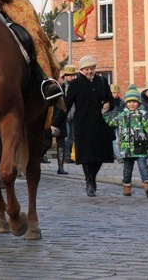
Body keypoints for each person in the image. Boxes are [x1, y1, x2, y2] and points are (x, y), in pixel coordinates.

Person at [52, 55, 115, 197]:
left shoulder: (102, 81)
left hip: (101, 124)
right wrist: (56, 123)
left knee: (100, 156)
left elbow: (111, 99)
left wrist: (108, 104)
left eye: (91, 69)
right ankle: (89, 180)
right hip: (84, 124)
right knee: (87, 155)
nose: (89, 72)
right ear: (81, 70)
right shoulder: (76, 84)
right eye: (86, 69)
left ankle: (93, 177)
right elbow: (66, 105)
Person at [102, 85, 148, 197]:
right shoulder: (123, 115)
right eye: (129, 102)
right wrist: (105, 113)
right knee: (127, 169)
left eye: (134, 102)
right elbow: (112, 123)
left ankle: (147, 185)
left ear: (138, 102)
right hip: (127, 147)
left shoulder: (143, 115)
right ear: (126, 103)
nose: (132, 104)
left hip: (141, 146)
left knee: (143, 167)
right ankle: (126, 187)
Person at [50, 65, 77, 175]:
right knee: (54, 141)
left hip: (70, 116)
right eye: (70, 76)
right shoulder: (61, 88)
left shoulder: (74, 87)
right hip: (59, 116)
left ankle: (61, 166)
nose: (72, 77)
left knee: (66, 140)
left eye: (73, 75)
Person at [106, 84, 126, 163]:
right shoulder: (108, 102)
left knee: (118, 140)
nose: (115, 94)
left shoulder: (121, 102)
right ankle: (117, 156)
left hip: (119, 123)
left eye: (116, 92)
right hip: (110, 123)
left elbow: (124, 111)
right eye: (113, 93)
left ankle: (120, 156)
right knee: (113, 141)